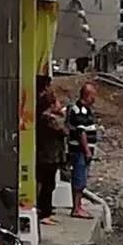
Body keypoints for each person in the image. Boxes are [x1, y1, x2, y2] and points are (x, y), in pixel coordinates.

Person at [36, 76, 66, 226]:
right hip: (48, 156)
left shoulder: (44, 118)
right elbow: (63, 130)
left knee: (47, 184)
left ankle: (45, 211)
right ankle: (44, 212)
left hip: (48, 155)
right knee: (47, 185)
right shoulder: (48, 120)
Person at [67, 81, 98, 220]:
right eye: (93, 96)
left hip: (83, 150)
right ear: (88, 95)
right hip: (79, 151)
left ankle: (78, 205)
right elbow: (81, 132)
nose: (95, 99)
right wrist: (87, 151)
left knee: (82, 178)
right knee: (79, 178)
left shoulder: (86, 109)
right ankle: (76, 207)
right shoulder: (79, 110)